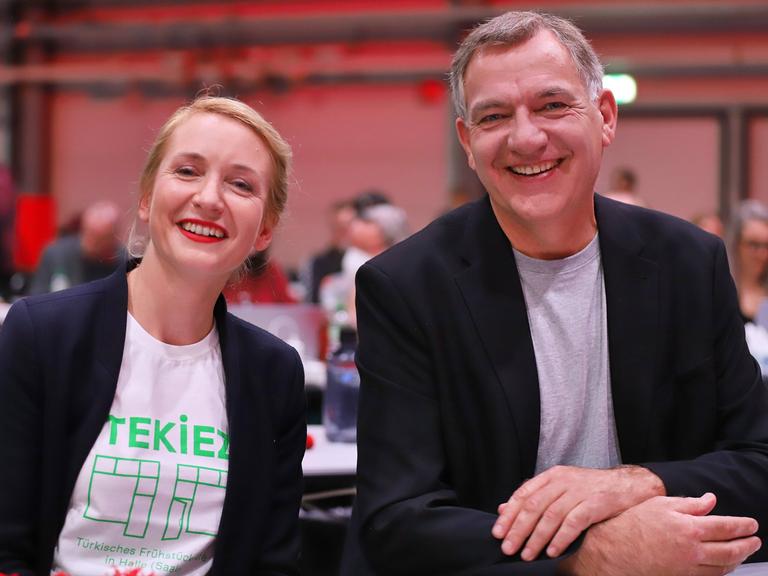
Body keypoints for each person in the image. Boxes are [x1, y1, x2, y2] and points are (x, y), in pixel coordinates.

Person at [342, 11, 768, 576]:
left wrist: (633, 483)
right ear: (468, 142)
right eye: (494, 116)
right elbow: (396, 521)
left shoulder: (688, 263)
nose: (526, 137)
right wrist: (589, 556)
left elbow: (759, 463)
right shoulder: (406, 287)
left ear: (605, 117)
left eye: (552, 106)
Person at [0, 96, 306, 575]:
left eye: (240, 184)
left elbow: (273, 562)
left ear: (264, 230)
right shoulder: (41, 336)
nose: (209, 197)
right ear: (146, 199)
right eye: (187, 171)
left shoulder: (275, 373)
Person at [28, 200, 127, 295]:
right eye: (88, 232)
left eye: (99, 238)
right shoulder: (56, 254)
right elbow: (37, 297)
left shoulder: (124, 263)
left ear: (114, 239)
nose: (90, 242)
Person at [304, 200, 356, 304]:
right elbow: (314, 302)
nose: (344, 232)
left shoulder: (368, 257)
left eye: (348, 226)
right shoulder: (319, 262)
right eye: (339, 227)